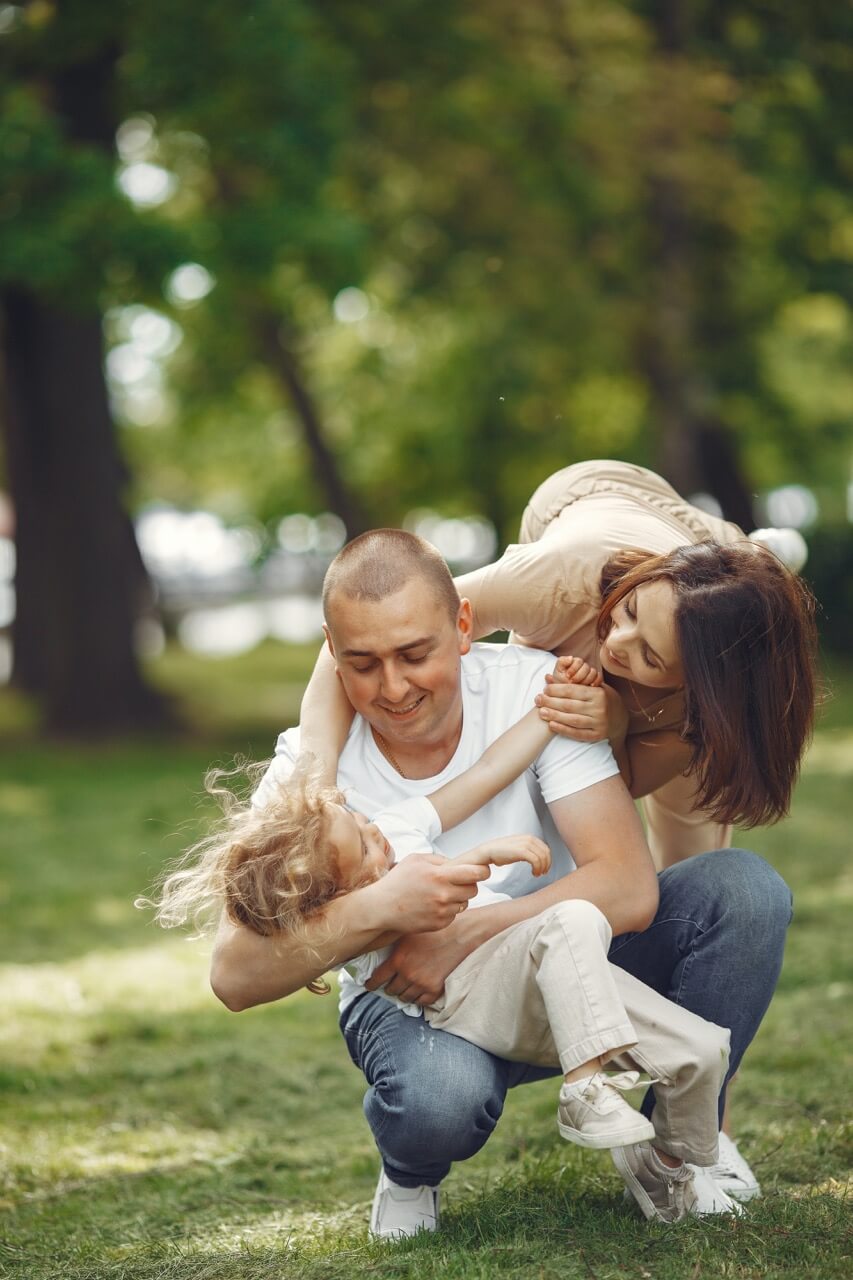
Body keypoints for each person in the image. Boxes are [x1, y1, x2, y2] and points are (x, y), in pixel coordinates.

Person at [209, 528, 792, 1239]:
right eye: (361, 664)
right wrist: (379, 907)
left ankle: (670, 1156)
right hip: (420, 1004)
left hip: (577, 977)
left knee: (743, 891)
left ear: (461, 625)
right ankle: (410, 1173)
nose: (392, 689)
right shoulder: (306, 775)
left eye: (414, 654)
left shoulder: (535, 692)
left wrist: (459, 933)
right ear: (330, 654)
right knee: (438, 1101)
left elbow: (628, 888)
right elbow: (234, 975)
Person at [154, 656, 732, 1224]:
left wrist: (545, 711)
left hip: (537, 964)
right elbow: (254, 968)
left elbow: (482, 776)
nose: (371, 828)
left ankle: (674, 1169)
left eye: (356, 821)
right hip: (474, 1002)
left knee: (703, 1048)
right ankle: (583, 1091)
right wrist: (410, 891)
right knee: (570, 919)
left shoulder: (393, 827)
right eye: (362, 848)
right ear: (339, 895)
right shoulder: (364, 934)